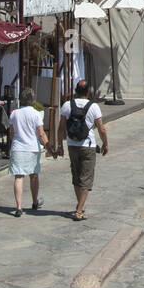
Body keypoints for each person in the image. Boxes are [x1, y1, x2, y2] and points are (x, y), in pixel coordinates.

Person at [60, 80, 107, 221]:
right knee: (86, 178)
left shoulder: (67, 105)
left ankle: (80, 206)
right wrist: (105, 143)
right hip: (88, 145)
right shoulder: (93, 106)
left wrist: (59, 145)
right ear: (88, 91)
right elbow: (101, 128)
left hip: (72, 144)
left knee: (76, 176)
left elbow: (61, 127)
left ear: (75, 91)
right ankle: (79, 210)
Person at [7, 85, 48, 217]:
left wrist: (15, 141)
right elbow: (41, 133)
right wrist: (48, 145)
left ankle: (19, 207)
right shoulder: (36, 114)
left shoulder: (14, 114)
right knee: (33, 175)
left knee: (19, 177)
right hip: (32, 148)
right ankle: (35, 201)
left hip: (18, 147)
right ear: (32, 100)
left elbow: (11, 132)